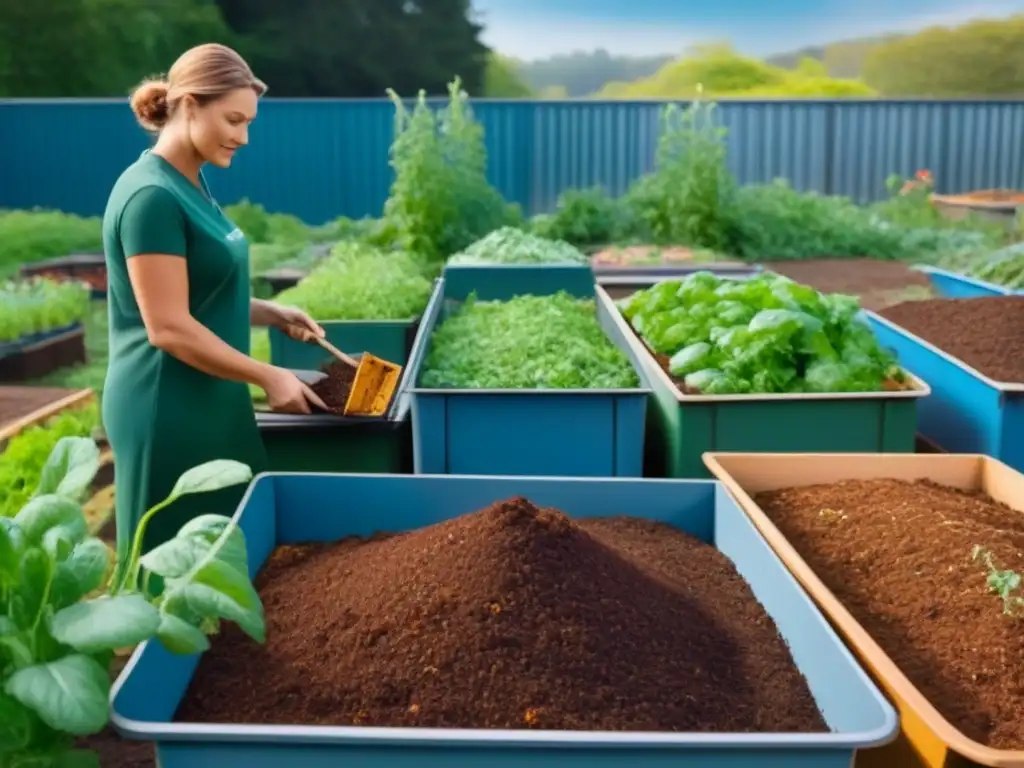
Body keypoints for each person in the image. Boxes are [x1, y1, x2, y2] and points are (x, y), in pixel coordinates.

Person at [102, 43, 327, 569]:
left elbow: (197, 289)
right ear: (188, 105)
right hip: (166, 402)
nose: (243, 137)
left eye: (248, 122)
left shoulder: (191, 182)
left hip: (209, 391)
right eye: (233, 119)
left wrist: (272, 313)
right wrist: (268, 376)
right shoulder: (150, 197)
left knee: (220, 558)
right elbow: (168, 327)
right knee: (172, 565)